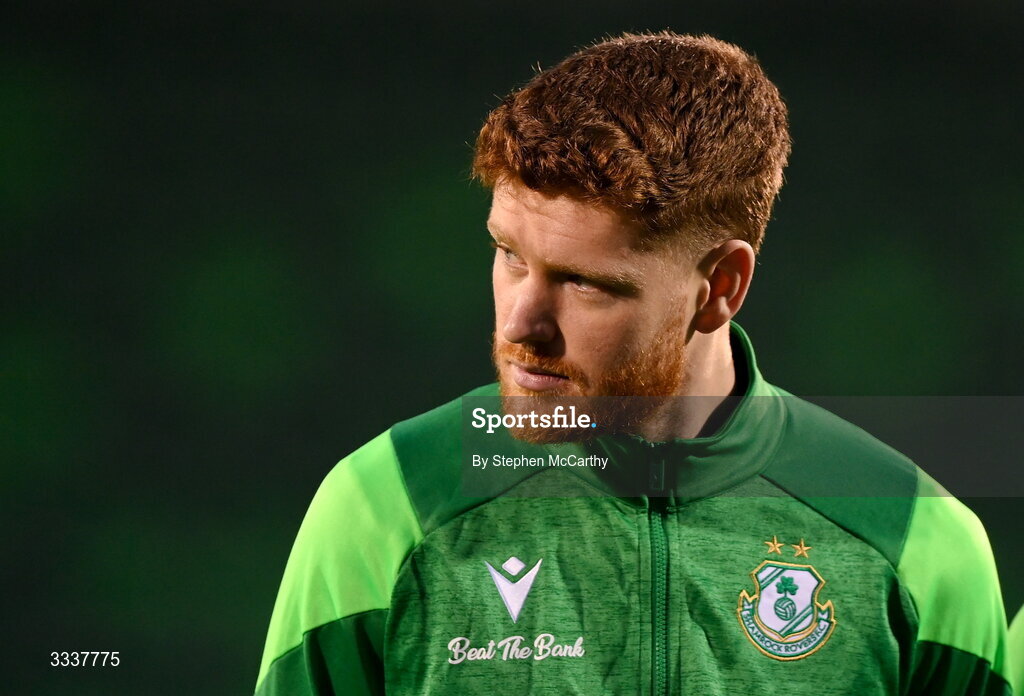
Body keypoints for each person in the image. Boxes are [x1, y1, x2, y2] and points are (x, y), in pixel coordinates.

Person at [254, 31, 1011, 695]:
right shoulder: (388, 506)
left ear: (720, 288)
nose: (521, 323)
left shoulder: (919, 542)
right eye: (508, 254)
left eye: (586, 283)